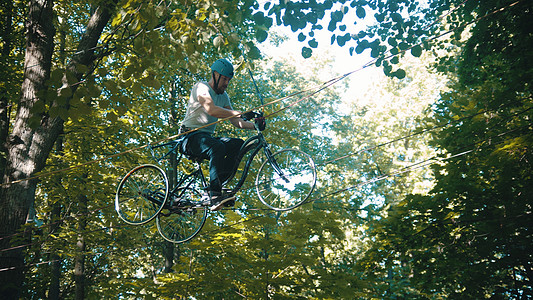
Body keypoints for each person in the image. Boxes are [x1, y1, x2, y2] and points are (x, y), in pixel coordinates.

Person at [179, 58, 266, 211]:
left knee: (238, 144)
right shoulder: (201, 87)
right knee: (217, 147)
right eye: (224, 79)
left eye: (228, 80)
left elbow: (236, 121)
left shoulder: (224, 96)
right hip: (189, 137)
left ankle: (217, 184)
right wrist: (239, 113)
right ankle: (214, 194)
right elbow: (211, 109)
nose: (226, 83)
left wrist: (255, 126)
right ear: (215, 75)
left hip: (205, 139)